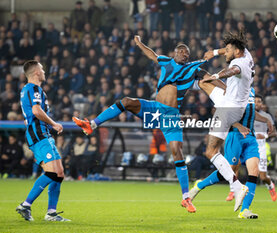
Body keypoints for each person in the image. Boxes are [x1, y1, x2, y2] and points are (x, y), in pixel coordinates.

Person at [73, 35, 218, 213]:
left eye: (187, 53)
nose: (184, 54)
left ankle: (186, 197)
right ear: (174, 53)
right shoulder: (166, 62)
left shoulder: (193, 68)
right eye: (181, 51)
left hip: (171, 116)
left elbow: (210, 78)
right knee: (126, 101)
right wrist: (139, 44)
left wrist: (225, 87)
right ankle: (92, 124)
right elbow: (152, 54)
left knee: (177, 152)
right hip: (154, 109)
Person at [193, 30, 257, 212]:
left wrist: (217, 75)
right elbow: (228, 53)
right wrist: (215, 52)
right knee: (202, 79)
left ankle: (237, 187)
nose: (225, 53)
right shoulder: (246, 55)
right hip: (232, 102)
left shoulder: (239, 63)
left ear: (237, 51)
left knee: (211, 151)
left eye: (228, 50)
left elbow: (233, 70)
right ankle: (236, 187)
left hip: (228, 108)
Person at [189, 88, 273, 219]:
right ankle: (199, 185)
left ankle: (245, 210)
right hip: (235, 135)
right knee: (229, 171)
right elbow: (223, 113)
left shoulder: (250, 90)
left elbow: (251, 112)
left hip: (250, 136)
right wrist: (239, 126)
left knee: (254, 172)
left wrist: (266, 120)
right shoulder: (234, 89)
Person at [16, 60, 69, 221]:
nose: (44, 72)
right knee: (53, 172)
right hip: (40, 134)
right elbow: (36, 111)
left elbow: (29, 116)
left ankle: (51, 213)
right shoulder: (33, 88)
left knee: (59, 173)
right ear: (37, 72)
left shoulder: (28, 90)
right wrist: (54, 124)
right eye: (42, 69)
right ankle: (26, 205)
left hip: (41, 134)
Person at [253, 94, 277, 201]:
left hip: (261, 148)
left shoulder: (267, 116)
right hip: (250, 147)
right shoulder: (248, 115)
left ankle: (270, 185)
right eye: (255, 101)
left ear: (262, 104)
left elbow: (275, 133)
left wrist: (265, 135)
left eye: (259, 101)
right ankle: (233, 191)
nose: (257, 103)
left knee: (263, 177)